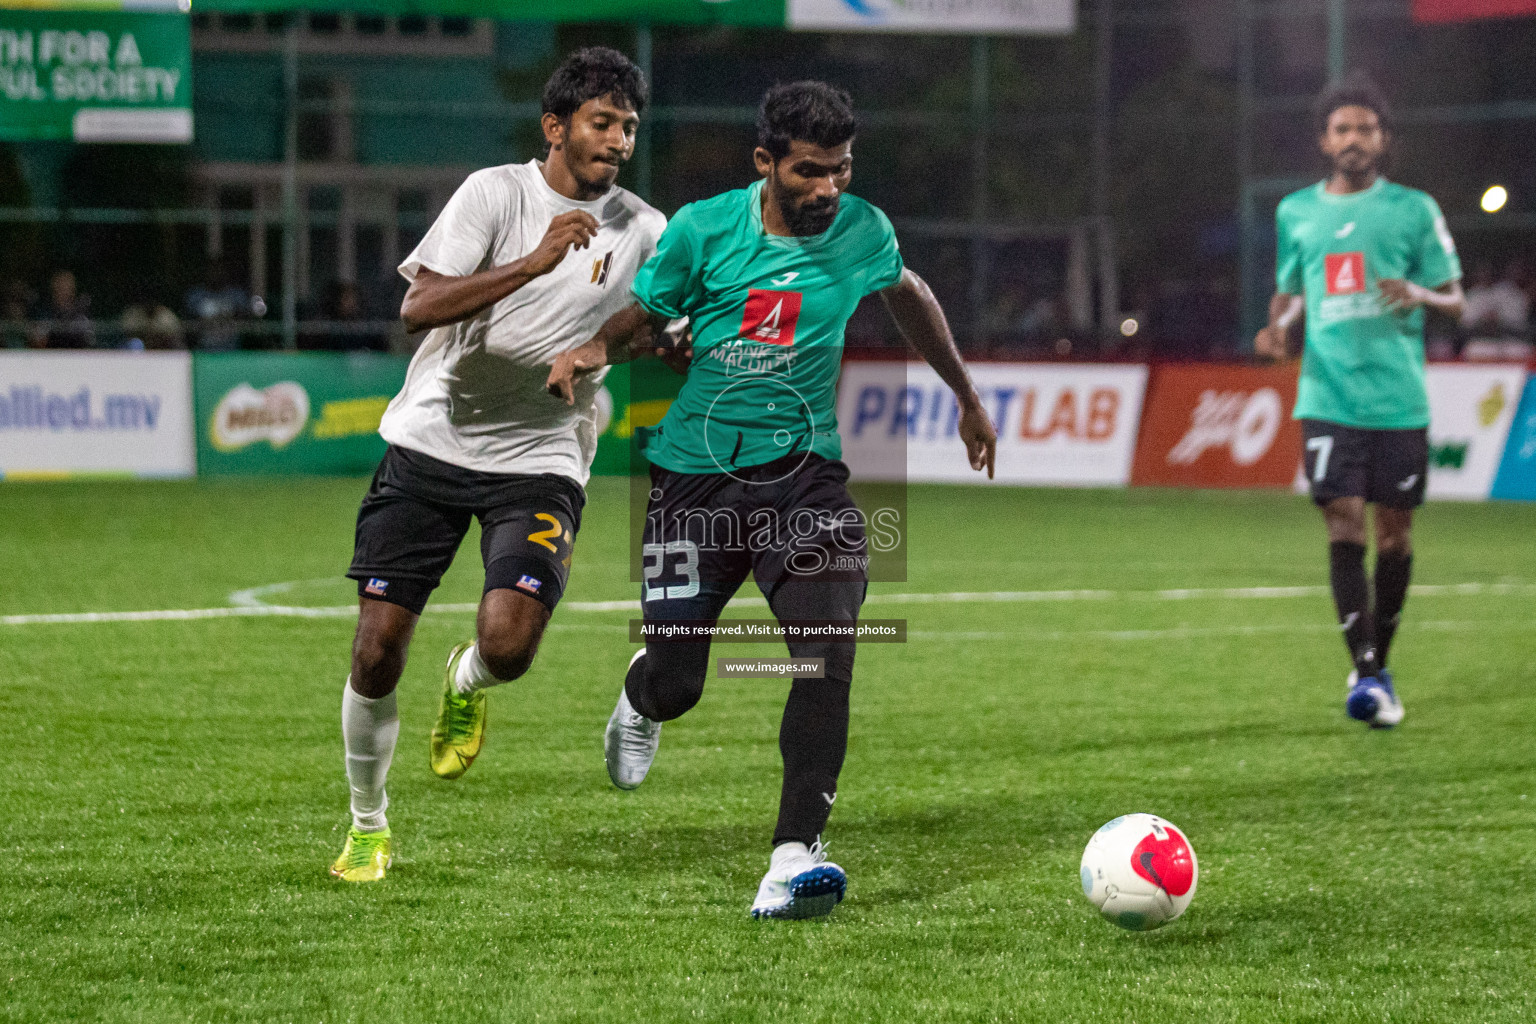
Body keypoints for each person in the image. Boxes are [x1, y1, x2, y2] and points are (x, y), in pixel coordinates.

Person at [547, 81, 997, 920]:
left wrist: (967, 397)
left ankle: (793, 856)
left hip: (807, 479)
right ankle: (644, 695)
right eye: (810, 172)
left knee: (826, 650)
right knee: (682, 682)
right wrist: (589, 347)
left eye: (843, 170)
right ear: (766, 162)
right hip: (695, 481)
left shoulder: (865, 230)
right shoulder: (702, 229)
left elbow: (909, 294)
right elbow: (643, 316)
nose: (829, 189)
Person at [329, 47, 667, 883]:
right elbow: (418, 306)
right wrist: (530, 262)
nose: (619, 140)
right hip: (431, 443)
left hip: (543, 454)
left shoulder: (646, 228)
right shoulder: (496, 194)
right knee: (374, 653)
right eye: (602, 122)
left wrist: (606, 349)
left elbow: (643, 324)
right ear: (555, 127)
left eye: (628, 126)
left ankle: (469, 678)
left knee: (510, 646)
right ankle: (368, 827)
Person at [1255, 74, 1463, 729]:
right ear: (1324, 140)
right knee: (1342, 520)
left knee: (1394, 537)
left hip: (1398, 400)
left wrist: (1422, 297)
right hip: (1326, 394)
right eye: (1342, 129)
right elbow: (1289, 291)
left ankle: (1377, 662)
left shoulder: (1414, 209)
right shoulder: (1296, 212)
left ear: (1382, 140)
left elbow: (1455, 298)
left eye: (1364, 129)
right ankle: (1369, 673)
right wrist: (1280, 326)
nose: (1353, 139)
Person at [32, 270, 94, 349]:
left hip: (78, 357)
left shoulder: (82, 312)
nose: (65, 289)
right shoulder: (45, 312)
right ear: (54, 287)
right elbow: (37, 341)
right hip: (51, 357)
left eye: (68, 285)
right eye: (61, 285)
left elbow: (89, 341)